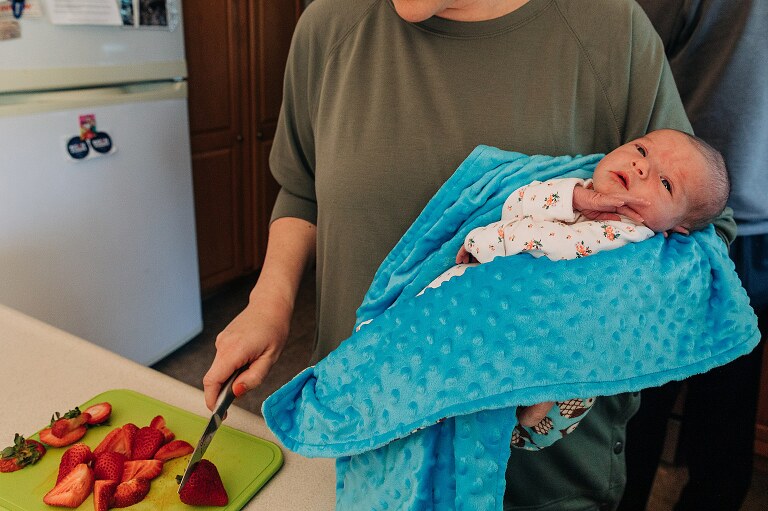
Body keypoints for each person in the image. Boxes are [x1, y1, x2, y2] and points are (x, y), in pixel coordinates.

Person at [203, 1, 736, 509]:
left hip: (541, 473)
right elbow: (303, 187)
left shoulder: (612, 32)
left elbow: (701, 235)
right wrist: (268, 302)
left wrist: (567, 351)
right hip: (365, 429)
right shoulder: (326, 27)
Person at [620, 1, 768, 510]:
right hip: (670, 221)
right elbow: (634, 47)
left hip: (735, 227)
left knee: (711, 419)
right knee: (641, 405)